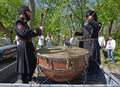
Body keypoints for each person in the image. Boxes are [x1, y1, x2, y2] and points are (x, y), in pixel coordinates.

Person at [14, 6, 44, 83]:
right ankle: (24, 80)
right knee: (24, 66)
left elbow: (28, 32)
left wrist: (38, 31)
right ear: (23, 12)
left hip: (27, 45)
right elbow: (24, 32)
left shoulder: (24, 22)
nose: (30, 14)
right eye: (29, 12)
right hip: (23, 46)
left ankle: (29, 77)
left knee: (30, 62)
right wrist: (38, 30)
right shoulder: (19, 22)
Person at [73, 9, 102, 76]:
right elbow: (82, 33)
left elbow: (97, 27)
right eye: (87, 17)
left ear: (93, 17)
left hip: (93, 44)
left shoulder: (98, 24)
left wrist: (92, 21)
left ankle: (93, 73)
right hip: (85, 45)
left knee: (93, 58)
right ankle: (86, 71)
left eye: (89, 16)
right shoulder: (85, 26)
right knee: (86, 58)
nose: (87, 18)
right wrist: (76, 33)